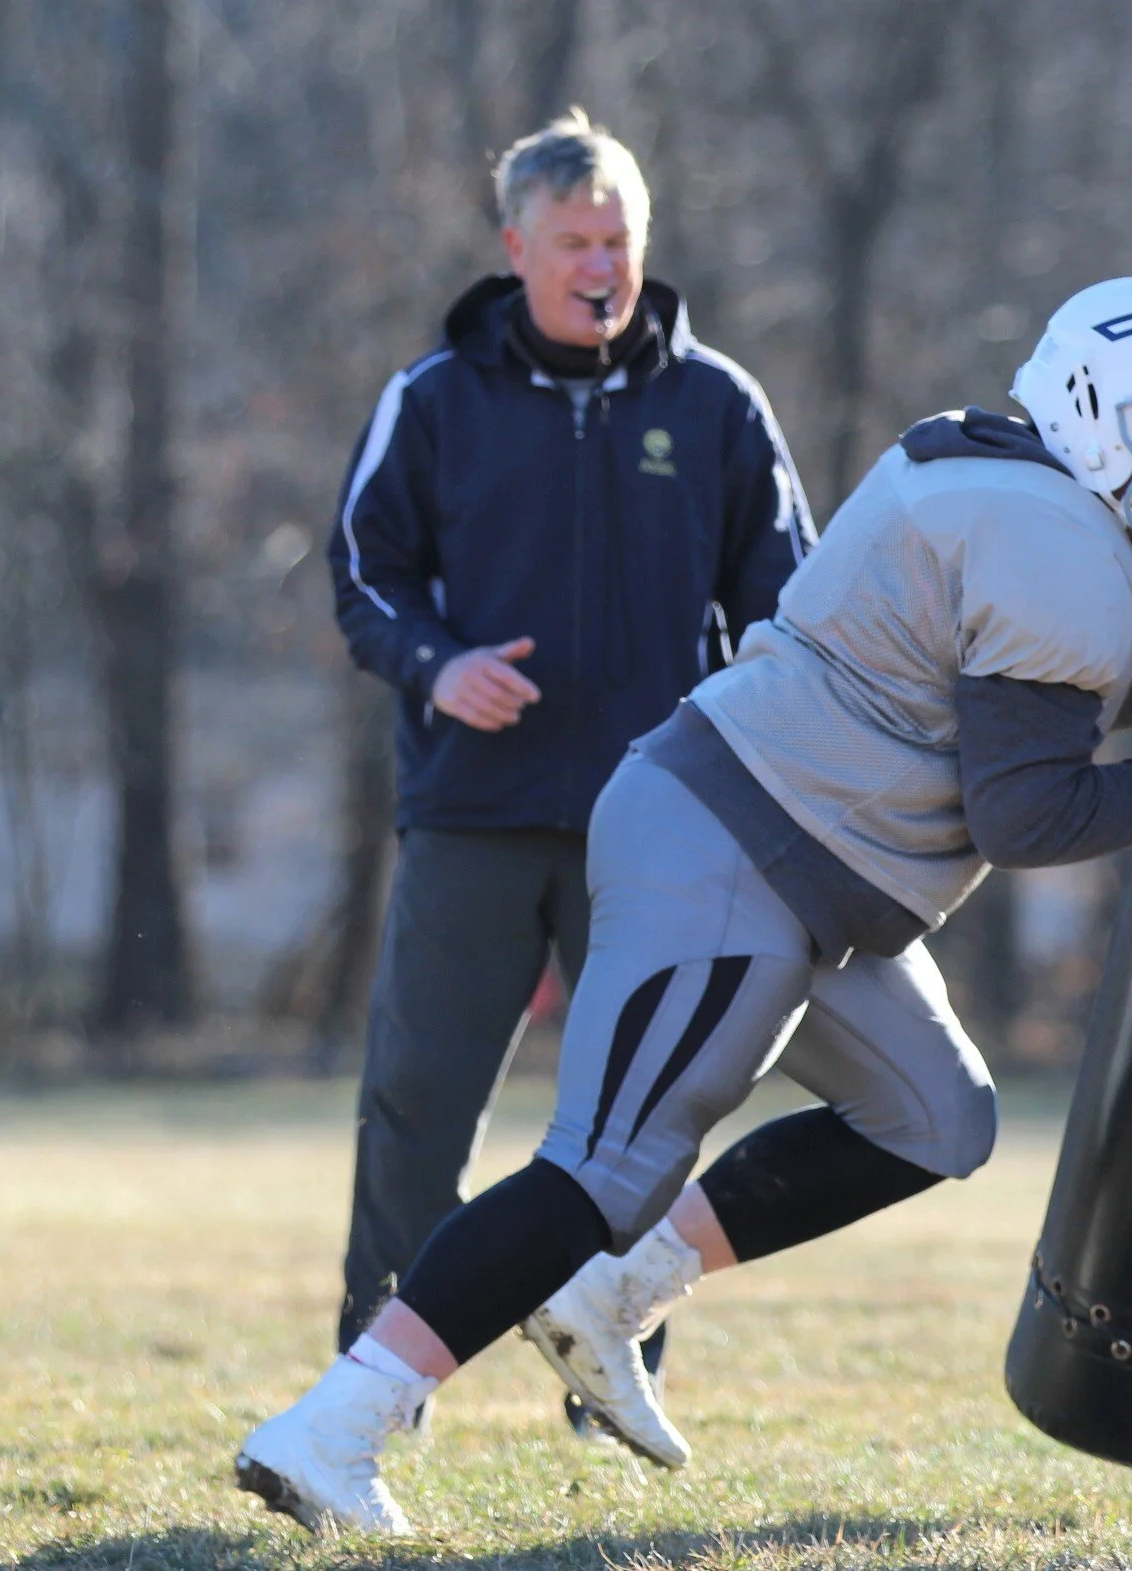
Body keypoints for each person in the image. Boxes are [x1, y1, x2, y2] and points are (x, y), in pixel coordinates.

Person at [235, 276, 1132, 1535]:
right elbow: (1027, 813)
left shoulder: (977, 460)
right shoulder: (1055, 541)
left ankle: (612, 1294)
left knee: (933, 1114)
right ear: (1103, 406)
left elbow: (1032, 680)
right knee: (604, 1165)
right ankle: (334, 1424)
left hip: (811, 867)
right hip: (735, 846)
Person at [323, 106, 813, 1397]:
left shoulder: (718, 405)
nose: (602, 264)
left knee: (644, 1127)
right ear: (516, 247)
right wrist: (441, 665)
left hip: (659, 830)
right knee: (417, 1106)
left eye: (620, 238)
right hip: (472, 815)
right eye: (574, 240)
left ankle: (618, 1371)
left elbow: (790, 609)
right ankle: (371, 1379)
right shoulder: (432, 400)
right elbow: (364, 579)